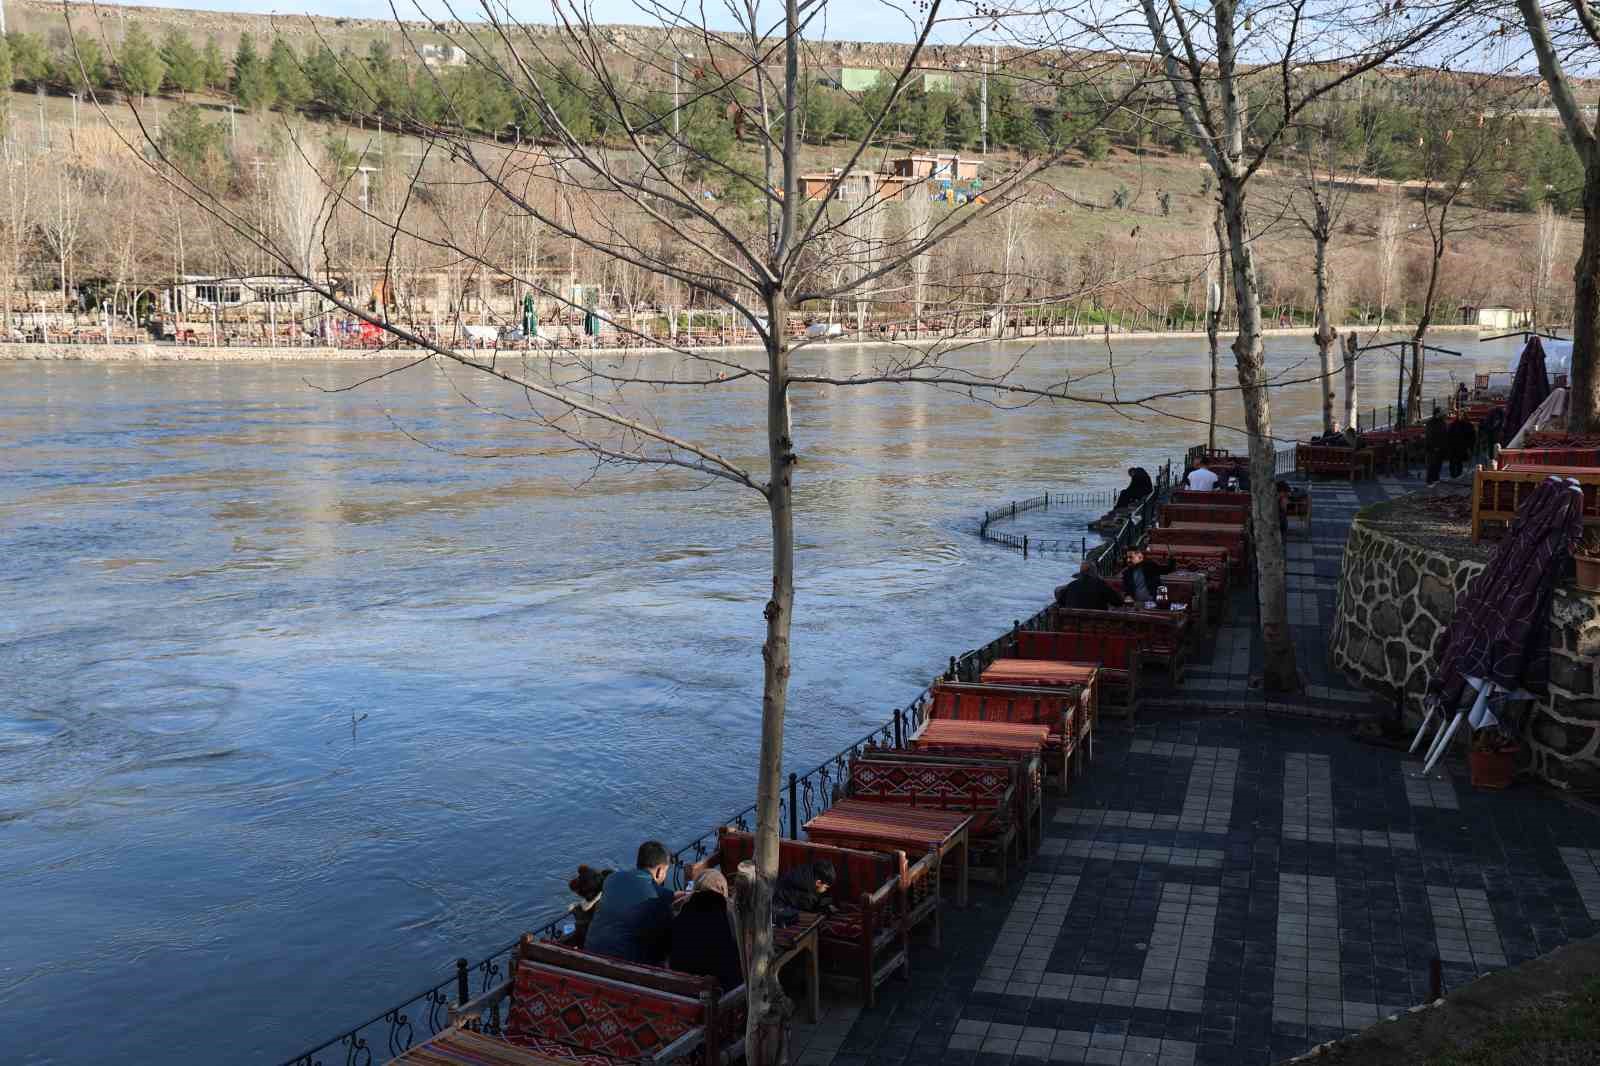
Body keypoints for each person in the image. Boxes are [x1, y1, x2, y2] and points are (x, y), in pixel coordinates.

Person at [584, 840, 677, 964]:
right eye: (666, 871)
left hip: (591, 953)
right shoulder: (661, 896)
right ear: (660, 871)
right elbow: (667, 938)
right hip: (626, 966)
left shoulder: (612, 879)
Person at [669, 869, 744, 992]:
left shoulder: (682, 907)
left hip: (683, 982)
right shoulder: (728, 909)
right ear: (722, 889)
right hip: (719, 987)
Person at [1054, 561, 1124, 611]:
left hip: (1071, 625)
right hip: (1097, 626)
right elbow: (1118, 602)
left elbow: (1060, 602)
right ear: (1094, 572)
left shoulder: (1071, 585)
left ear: (1081, 573)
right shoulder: (1101, 584)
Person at [1447, 413, 1477, 477]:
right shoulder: (1453, 425)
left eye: (1462, 416)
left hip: (1462, 446)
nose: (1461, 417)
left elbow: (1472, 438)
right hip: (1454, 446)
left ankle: (1458, 474)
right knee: (1453, 461)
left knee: (1458, 461)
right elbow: (1448, 435)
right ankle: (1453, 474)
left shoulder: (1468, 425)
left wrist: (1470, 447)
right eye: (1460, 416)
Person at [1424, 409, 1448, 484]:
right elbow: (1430, 436)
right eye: (1440, 413)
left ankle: (1436, 479)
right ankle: (1430, 480)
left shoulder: (1442, 422)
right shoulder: (1431, 423)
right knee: (1432, 464)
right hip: (1433, 447)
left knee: (1438, 464)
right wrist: (1434, 446)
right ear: (1437, 414)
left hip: (1441, 447)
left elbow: (1444, 434)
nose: (1442, 414)